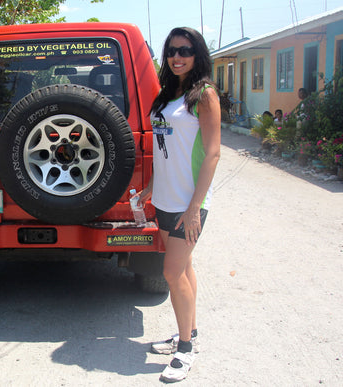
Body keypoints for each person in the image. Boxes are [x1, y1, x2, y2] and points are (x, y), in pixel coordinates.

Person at [139, 27, 221, 383]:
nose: (177, 56)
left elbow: (213, 152)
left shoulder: (204, 95)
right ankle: (191, 332)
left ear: (197, 53)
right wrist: (150, 187)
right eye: (172, 50)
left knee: (171, 272)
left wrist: (194, 207)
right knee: (183, 269)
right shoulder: (167, 96)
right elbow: (164, 149)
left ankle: (185, 350)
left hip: (190, 202)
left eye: (185, 50)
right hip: (166, 199)